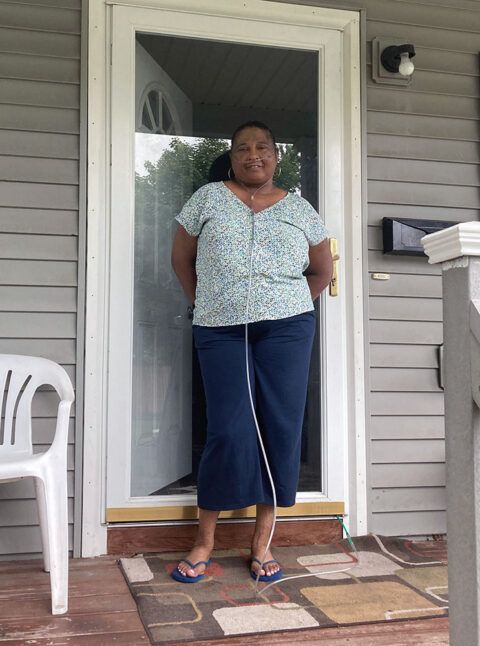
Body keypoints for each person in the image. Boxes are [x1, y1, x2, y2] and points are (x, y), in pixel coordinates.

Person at [170, 121, 333, 583]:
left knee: (280, 426)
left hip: (286, 331)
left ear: (277, 156)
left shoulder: (300, 208)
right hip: (219, 329)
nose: (253, 155)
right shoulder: (206, 198)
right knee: (228, 428)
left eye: (262, 147)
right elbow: (181, 259)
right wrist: (202, 301)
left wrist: (291, 306)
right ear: (232, 156)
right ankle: (205, 541)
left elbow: (320, 271)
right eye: (243, 148)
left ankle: (262, 542)